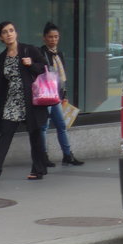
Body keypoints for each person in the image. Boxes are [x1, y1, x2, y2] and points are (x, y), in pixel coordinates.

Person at [0, 21, 50, 181]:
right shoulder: (2, 57)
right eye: (5, 32)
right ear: (0, 37)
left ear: (16, 33)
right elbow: (2, 83)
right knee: (6, 133)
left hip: (31, 100)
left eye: (11, 30)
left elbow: (44, 67)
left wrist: (31, 64)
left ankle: (39, 169)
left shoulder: (28, 50)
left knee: (35, 135)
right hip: (13, 101)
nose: (9, 34)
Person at [38, 22, 83, 167]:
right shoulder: (40, 53)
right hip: (45, 96)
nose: (53, 40)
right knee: (44, 127)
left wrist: (64, 94)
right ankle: (43, 156)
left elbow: (62, 77)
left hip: (57, 96)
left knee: (61, 126)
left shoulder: (60, 54)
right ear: (44, 38)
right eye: (50, 37)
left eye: (56, 37)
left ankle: (68, 155)